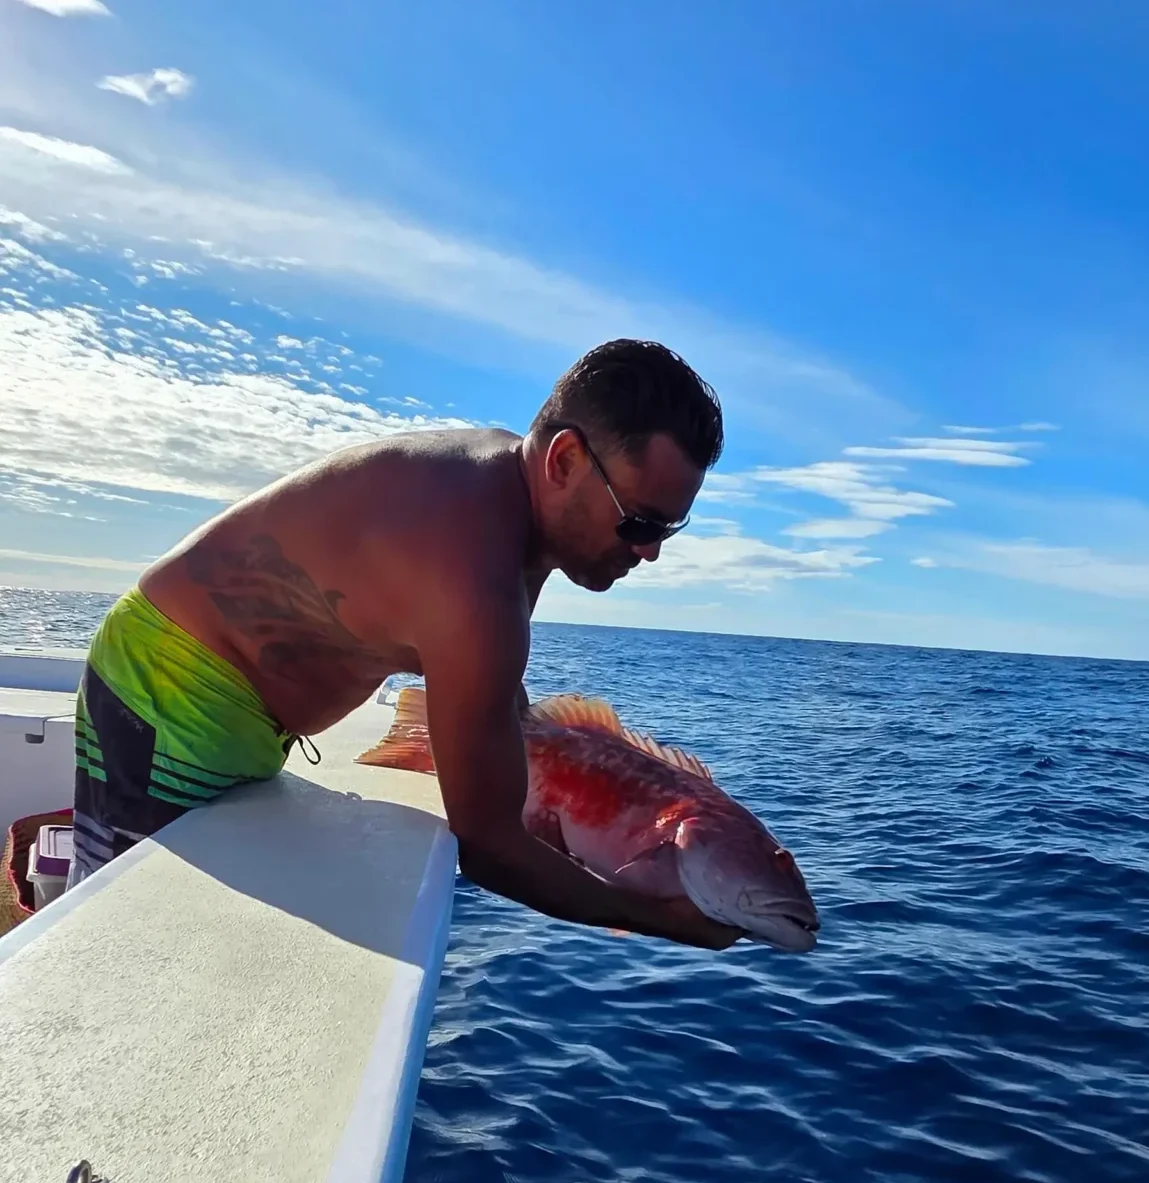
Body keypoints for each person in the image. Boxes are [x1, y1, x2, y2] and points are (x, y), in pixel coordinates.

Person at [69, 337, 738, 948]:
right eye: (640, 522)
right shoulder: (473, 572)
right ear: (564, 459)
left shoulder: (514, 510)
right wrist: (662, 918)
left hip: (224, 713)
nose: (649, 552)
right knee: (123, 950)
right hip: (167, 699)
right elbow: (487, 844)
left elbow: (499, 705)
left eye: (668, 531)